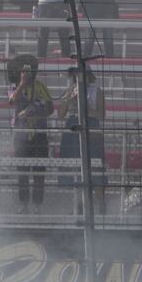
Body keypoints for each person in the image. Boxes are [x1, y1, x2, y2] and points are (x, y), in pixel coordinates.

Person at [56, 66, 106, 211]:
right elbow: (60, 115)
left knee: (95, 167)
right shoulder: (70, 90)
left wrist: (83, 108)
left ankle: (100, 204)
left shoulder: (97, 91)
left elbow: (101, 114)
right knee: (74, 167)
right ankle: (78, 204)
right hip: (72, 131)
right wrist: (68, 99)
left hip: (91, 130)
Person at [8, 63, 54, 211]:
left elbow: (50, 108)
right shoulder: (14, 87)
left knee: (39, 170)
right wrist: (21, 85)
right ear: (19, 73)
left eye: (28, 72)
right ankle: (24, 204)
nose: (26, 74)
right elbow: (11, 102)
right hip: (21, 134)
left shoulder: (40, 86)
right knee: (22, 170)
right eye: (23, 72)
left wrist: (36, 111)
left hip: (39, 133)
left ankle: (37, 205)